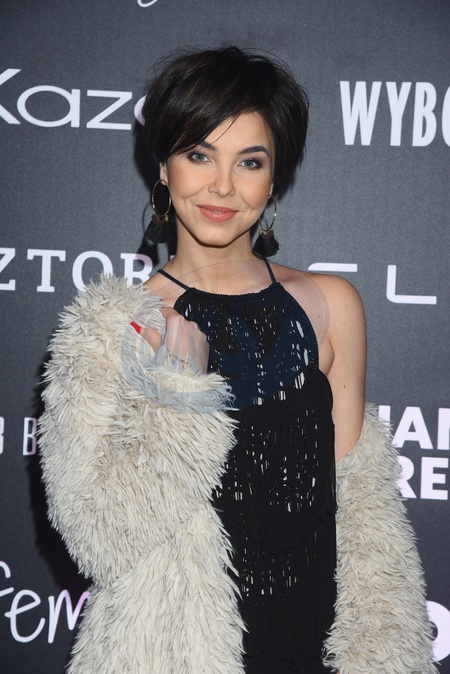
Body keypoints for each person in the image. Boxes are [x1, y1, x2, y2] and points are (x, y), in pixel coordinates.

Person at [39, 47, 436, 673]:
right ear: (163, 167)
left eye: (249, 161)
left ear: (273, 180)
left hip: (319, 645)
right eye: (199, 155)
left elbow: (362, 512)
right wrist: (177, 396)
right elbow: (98, 537)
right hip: (180, 652)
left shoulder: (330, 306)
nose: (222, 185)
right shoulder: (113, 326)